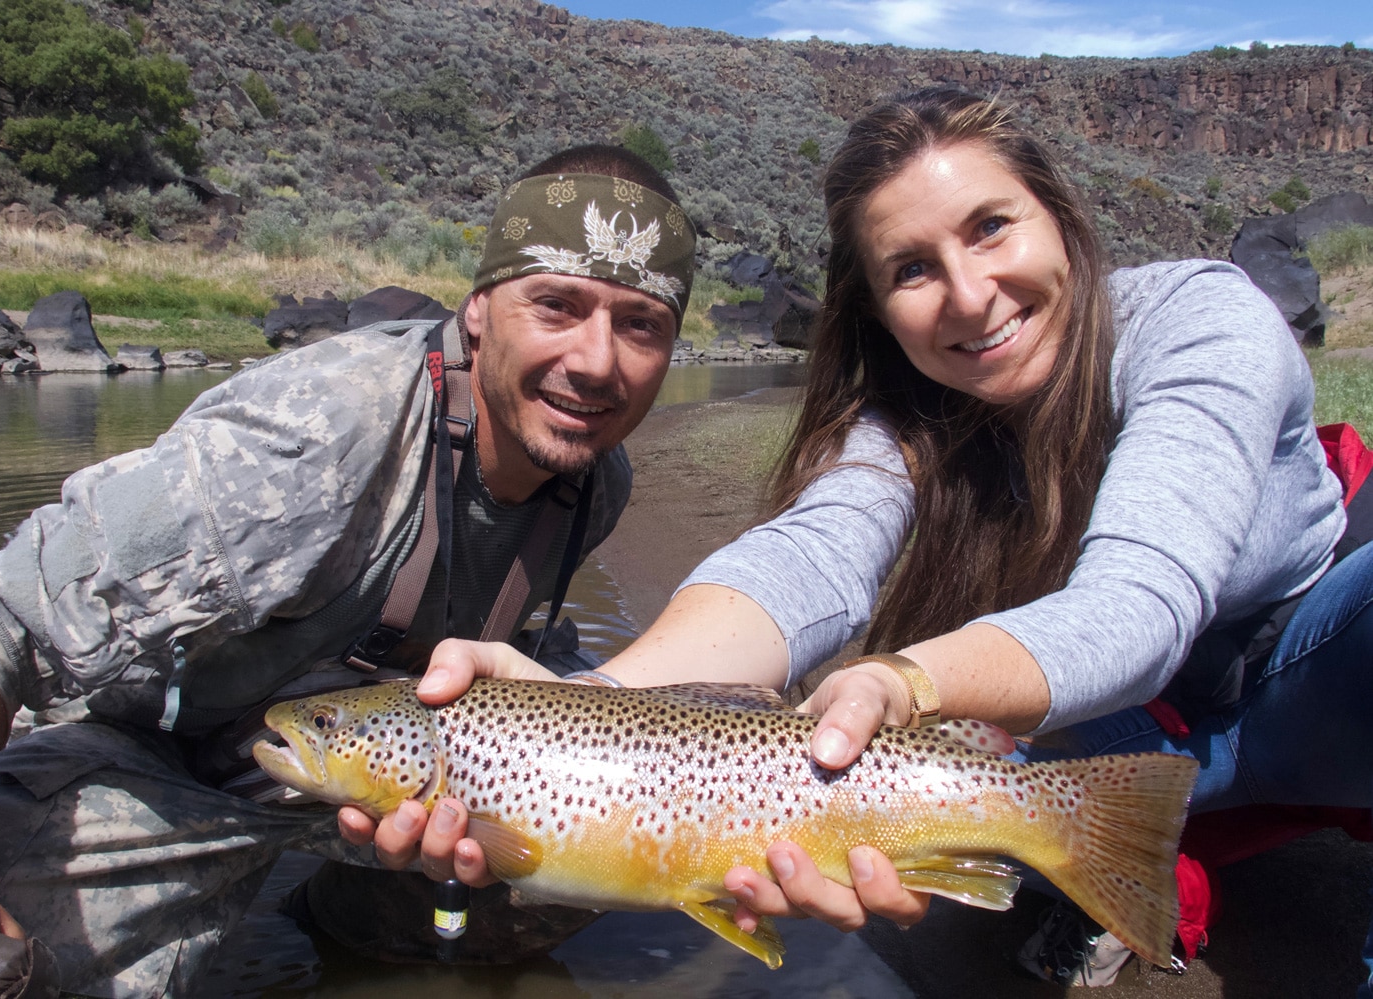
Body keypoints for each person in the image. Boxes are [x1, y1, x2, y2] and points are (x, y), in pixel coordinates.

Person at [412, 87, 1373, 986]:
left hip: (1305, 674)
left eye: (992, 227)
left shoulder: (1200, 320)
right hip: (1091, 732)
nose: (968, 293)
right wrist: (595, 707)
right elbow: (807, 555)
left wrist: (903, 679)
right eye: (913, 269)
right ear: (876, 305)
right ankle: (1110, 857)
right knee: (843, 803)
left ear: (1061, 218)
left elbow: (1141, 602)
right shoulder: (904, 413)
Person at [0, 144, 697, 997]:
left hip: (371, 762)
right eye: (557, 305)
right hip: (151, 757)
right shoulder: (314, 440)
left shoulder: (596, 476)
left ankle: (342, 913)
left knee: (605, 852)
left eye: (641, 324)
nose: (598, 360)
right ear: (481, 307)